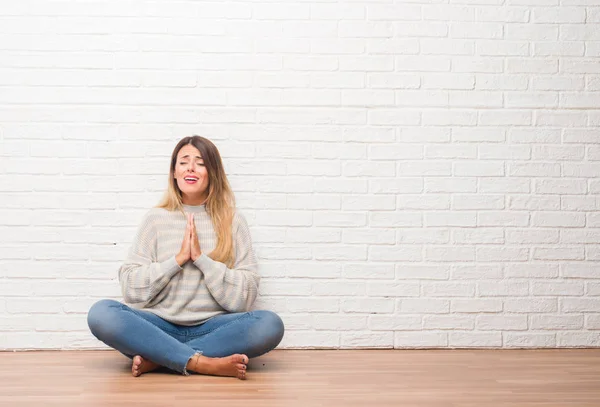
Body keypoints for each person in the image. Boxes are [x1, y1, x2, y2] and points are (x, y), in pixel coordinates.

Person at [87, 135, 284, 380]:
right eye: (184, 162)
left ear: (212, 172)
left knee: (269, 324)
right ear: (174, 172)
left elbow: (246, 296)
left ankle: (161, 359)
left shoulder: (233, 220)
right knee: (101, 313)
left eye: (200, 162)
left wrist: (201, 259)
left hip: (215, 327)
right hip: (158, 327)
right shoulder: (155, 219)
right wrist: (177, 260)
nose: (191, 168)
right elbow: (131, 288)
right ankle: (205, 363)